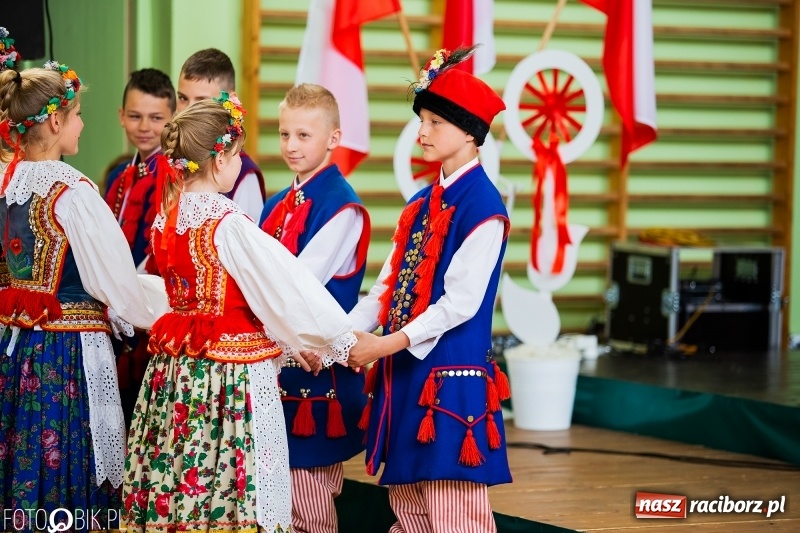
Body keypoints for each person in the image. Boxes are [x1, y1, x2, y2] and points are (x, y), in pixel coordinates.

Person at [122, 93, 357, 533]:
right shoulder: (227, 222)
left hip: (177, 370)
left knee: (183, 464)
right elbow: (282, 288)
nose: (240, 164)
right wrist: (337, 338)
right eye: (236, 154)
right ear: (219, 159)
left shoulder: (168, 220)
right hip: (229, 377)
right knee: (233, 475)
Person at [347, 46, 513, 533]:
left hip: (449, 382)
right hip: (408, 376)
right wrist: (340, 336)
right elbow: (387, 285)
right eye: (422, 120)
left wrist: (385, 344)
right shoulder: (421, 202)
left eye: (435, 122)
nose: (421, 133)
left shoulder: (484, 206)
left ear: (469, 131)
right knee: (410, 512)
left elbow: (460, 303)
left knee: (455, 516)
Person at [0, 62, 159, 529]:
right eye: (77, 114)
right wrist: (155, 315)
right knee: (70, 457)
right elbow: (117, 284)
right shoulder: (73, 190)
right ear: (54, 121)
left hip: (17, 348)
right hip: (69, 355)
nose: (82, 124)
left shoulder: (7, 186)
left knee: (23, 453)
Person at [259, 83, 370, 533]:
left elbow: (295, 287)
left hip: (314, 371)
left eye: (304, 135)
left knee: (309, 502)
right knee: (273, 497)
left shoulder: (342, 206)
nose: (291, 146)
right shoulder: (274, 204)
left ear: (333, 139)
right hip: (273, 366)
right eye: (285, 134)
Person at [103, 68, 175, 426]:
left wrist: (125, 295)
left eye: (156, 118)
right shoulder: (119, 176)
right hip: (113, 307)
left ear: (172, 119)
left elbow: (158, 249)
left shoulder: (172, 174)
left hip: (147, 311)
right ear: (121, 116)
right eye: (135, 116)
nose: (144, 126)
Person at [177, 47, 265, 219]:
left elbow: (245, 242)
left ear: (229, 100)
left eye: (201, 101)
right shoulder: (173, 161)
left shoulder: (242, 172)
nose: (188, 109)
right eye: (182, 98)